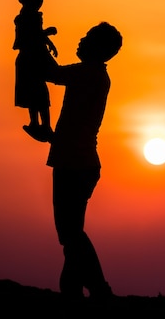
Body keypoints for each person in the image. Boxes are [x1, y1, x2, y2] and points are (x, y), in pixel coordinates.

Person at [45, 21, 122, 305]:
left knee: (70, 233)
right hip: (78, 161)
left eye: (87, 38)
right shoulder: (93, 76)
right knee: (71, 233)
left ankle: (99, 288)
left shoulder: (89, 74)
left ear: (98, 48)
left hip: (75, 164)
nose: (80, 40)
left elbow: (49, 73)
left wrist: (37, 45)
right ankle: (73, 291)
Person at [13, 0, 59, 142]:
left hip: (35, 57)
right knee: (35, 94)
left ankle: (45, 125)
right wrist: (47, 33)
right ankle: (36, 123)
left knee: (40, 94)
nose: (39, 0)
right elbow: (30, 36)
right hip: (29, 59)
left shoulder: (32, 16)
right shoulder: (25, 18)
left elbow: (37, 35)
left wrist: (48, 41)